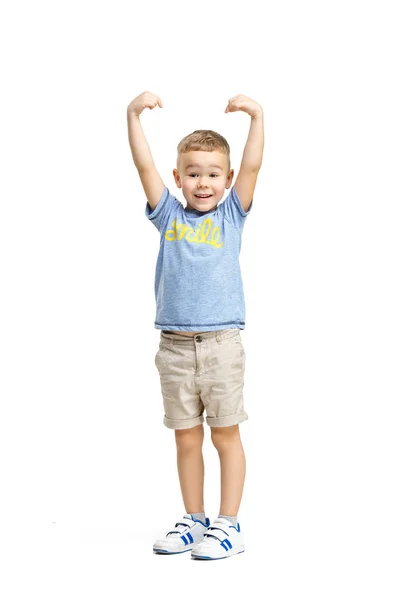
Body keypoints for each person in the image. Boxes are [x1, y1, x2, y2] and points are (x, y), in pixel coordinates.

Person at [127, 91, 264, 560]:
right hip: (175, 347)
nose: (202, 183)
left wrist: (256, 116)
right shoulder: (168, 216)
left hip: (222, 344)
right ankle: (194, 518)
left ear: (225, 180)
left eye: (211, 174)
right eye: (193, 173)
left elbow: (252, 167)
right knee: (186, 435)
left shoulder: (231, 214)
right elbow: (144, 167)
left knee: (225, 433)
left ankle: (229, 525)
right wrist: (133, 116)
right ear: (178, 177)